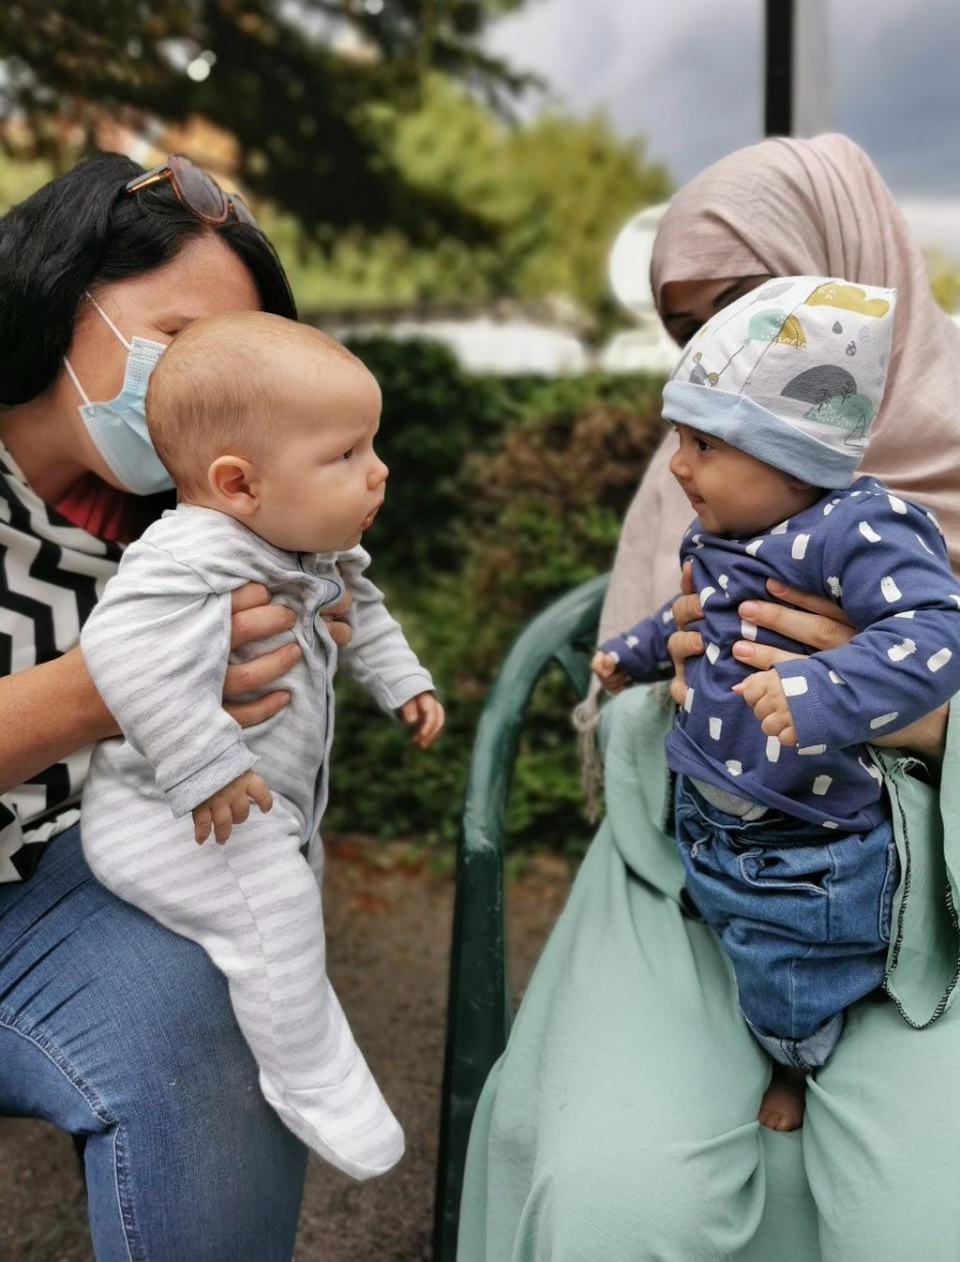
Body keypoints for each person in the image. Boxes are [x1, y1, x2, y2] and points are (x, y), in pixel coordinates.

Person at [458, 135, 960, 1261]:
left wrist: (914, 711)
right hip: (690, 860)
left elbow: (932, 640)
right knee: (610, 1196)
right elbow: (645, 675)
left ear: (843, 269)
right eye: (685, 332)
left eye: (746, 305)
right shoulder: (695, 475)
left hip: (932, 884)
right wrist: (659, 666)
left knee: (928, 1218)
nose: (719, 351)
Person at [0, 153, 356, 1260]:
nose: (206, 382)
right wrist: (111, 691)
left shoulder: (202, 515)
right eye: (180, 338)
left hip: (57, 878)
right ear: (60, 293)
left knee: (231, 985)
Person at [79, 311, 443, 1178]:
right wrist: (204, 761)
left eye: (371, 445)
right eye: (346, 454)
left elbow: (367, 611)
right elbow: (121, 651)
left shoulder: (313, 551)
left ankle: (288, 1030)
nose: (378, 470)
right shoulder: (190, 553)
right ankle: (310, 1080)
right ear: (239, 484)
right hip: (169, 816)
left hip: (259, 807)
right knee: (275, 919)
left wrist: (405, 682)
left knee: (287, 899)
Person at [594, 273, 960, 1130]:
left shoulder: (859, 528)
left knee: (791, 966)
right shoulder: (725, 528)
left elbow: (937, 633)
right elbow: (697, 610)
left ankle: (798, 1058)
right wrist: (635, 652)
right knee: (727, 917)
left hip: (808, 835)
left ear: (791, 455)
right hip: (712, 803)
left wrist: (826, 685)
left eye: (702, 444)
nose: (677, 465)